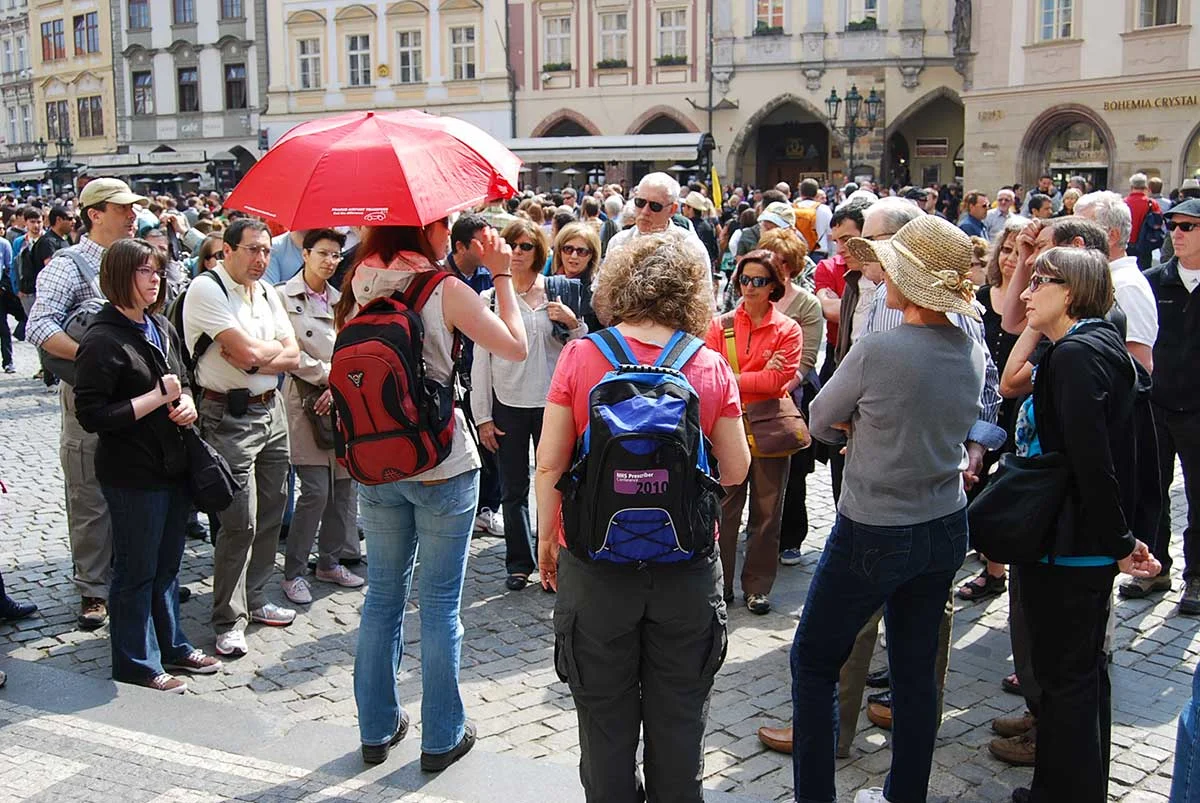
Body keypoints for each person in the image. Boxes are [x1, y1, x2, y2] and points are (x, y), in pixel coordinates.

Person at [534, 232, 750, 803]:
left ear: (617, 285)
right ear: (690, 293)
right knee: (680, 722)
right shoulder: (705, 362)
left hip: (596, 566)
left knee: (603, 726)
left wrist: (545, 538)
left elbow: (549, 464)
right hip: (685, 569)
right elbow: (736, 467)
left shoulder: (583, 355)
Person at [792, 215, 986, 803]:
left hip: (876, 526)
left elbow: (820, 419)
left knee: (814, 660)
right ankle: (907, 794)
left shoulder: (880, 348)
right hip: (944, 522)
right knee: (914, 673)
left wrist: (865, 421)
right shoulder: (969, 346)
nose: (880, 276)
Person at [336, 220, 528, 769]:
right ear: (428, 227)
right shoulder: (443, 288)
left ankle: (376, 728)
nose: (448, 231)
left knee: (381, 599)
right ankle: (441, 736)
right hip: (440, 460)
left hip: (376, 460)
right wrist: (504, 276)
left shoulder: (357, 280)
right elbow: (514, 346)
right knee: (440, 605)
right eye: (443, 222)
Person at [1007, 246, 1160, 803]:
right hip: (1081, 540)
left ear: (1068, 290)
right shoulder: (1089, 344)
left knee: (1066, 680)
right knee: (1080, 675)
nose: (1025, 293)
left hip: (1070, 545)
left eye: (1037, 282)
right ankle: (1070, 786)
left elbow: (1093, 460)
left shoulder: (1076, 354)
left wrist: (1121, 542)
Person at [73, 238, 223, 693]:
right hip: (132, 472)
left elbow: (185, 380)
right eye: (144, 271)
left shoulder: (159, 325)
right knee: (136, 570)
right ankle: (136, 662)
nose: (155, 278)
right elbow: (93, 415)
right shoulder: (101, 339)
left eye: (157, 270)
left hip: (172, 464)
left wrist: (189, 405)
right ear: (120, 276)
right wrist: (154, 399)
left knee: (167, 567)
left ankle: (173, 646)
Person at [26, 178, 149, 630]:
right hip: (91, 397)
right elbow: (38, 326)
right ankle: (94, 590)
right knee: (89, 492)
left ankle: (136, 577)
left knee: (139, 485)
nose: (132, 215)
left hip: (140, 397)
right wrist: (100, 358)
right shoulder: (68, 265)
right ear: (95, 214)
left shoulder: (139, 259)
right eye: (123, 209)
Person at [183, 219, 302, 657]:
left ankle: (256, 598)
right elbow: (251, 353)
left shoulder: (268, 291)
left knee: (273, 510)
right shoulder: (207, 289)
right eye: (252, 250)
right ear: (228, 250)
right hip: (227, 415)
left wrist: (260, 356)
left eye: (266, 251)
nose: (261, 259)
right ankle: (227, 619)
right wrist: (263, 353)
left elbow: (287, 355)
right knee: (239, 521)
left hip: (272, 410)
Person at [474, 217, 585, 591]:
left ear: (538, 252)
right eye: (513, 246)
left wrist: (573, 323)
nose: (519, 253)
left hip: (554, 401)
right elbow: (480, 361)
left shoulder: (558, 292)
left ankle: (555, 557)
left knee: (556, 483)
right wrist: (483, 416)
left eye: (526, 247)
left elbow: (581, 350)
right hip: (508, 400)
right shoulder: (489, 299)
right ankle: (519, 563)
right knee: (514, 487)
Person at [706, 249, 802, 614]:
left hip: (769, 427)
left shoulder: (787, 329)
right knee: (725, 508)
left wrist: (738, 377)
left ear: (774, 285)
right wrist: (758, 373)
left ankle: (757, 588)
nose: (750, 287)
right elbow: (714, 378)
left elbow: (780, 379)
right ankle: (722, 583)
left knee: (767, 512)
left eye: (759, 281)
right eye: (744, 279)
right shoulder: (721, 324)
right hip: (729, 425)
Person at [277, 229, 364, 606]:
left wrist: (338, 384)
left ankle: (328, 561)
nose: (330, 261)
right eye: (323, 253)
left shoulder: (343, 299)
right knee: (314, 491)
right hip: (303, 402)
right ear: (306, 253)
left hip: (342, 402)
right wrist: (329, 378)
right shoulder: (281, 296)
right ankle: (293, 570)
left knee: (342, 490)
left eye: (335, 255)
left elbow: (354, 346)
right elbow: (289, 351)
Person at [957, 216, 1029, 603]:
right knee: (978, 483)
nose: (1010, 260)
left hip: (1018, 406)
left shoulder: (1033, 304)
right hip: (981, 405)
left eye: (1021, 254)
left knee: (1006, 490)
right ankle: (989, 560)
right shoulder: (980, 298)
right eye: (1006, 250)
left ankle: (998, 567)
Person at [1142, 199, 1200, 614]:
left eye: (1188, 227)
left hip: (1198, 411)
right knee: (1152, 491)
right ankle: (1155, 566)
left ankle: (1196, 578)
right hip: (1156, 406)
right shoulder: (1153, 282)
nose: (1176, 233)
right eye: (1172, 225)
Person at [758, 228, 823, 565]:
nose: (776, 266)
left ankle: (790, 538)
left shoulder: (806, 304)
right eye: (770, 258)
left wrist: (774, 380)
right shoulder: (751, 295)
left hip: (791, 400)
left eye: (783, 261)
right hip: (751, 400)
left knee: (793, 474)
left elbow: (804, 360)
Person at [445, 214, 504, 539]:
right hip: (449, 375)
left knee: (490, 441)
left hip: (485, 373)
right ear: (460, 246)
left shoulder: (490, 277)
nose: (489, 247)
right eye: (482, 241)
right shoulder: (440, 277)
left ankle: (488, 508)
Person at [549, 221, 602, 333]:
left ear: (591, 255)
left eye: (581, 251)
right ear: (559, 251)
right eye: (568, 249)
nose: (573, 256)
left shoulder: (598, 293)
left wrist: (572, 322)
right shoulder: (546, 282)